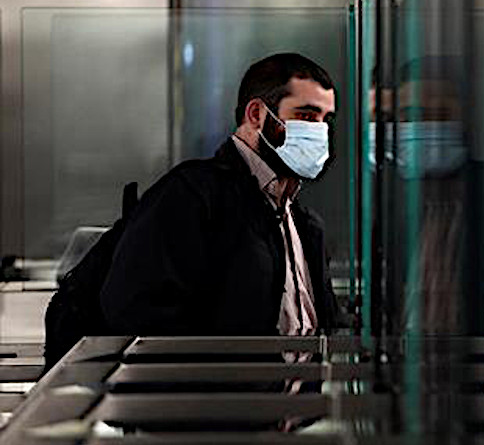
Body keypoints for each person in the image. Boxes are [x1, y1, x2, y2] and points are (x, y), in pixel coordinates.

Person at [99, 53, 340, 340]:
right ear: (256, 115)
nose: (319, 132)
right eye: (306, 116)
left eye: (325, 120)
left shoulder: (303, 222)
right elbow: (135, 312)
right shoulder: (191, 196)